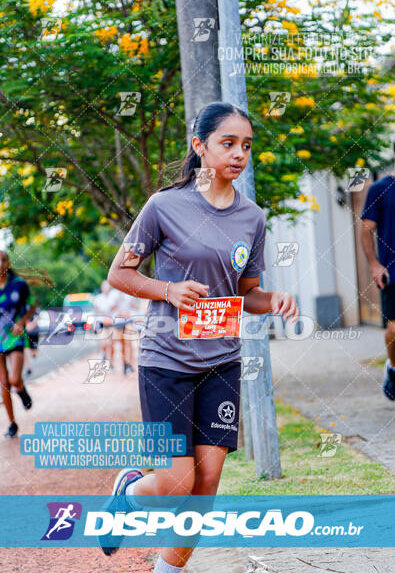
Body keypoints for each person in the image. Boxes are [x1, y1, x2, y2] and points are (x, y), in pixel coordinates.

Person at [103, 102, 299, 570]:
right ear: (199, 146)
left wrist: (273, 300)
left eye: (246, 146)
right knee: (176, 485)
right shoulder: (163, 207)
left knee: (205, 486)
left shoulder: (252, 218)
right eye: (228, 143)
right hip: (166, 361)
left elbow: (246, 292)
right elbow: (120, 272)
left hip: (220, 362)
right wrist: (168, 289)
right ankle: (129, 491)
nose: (239, 154)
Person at [361, 135, 395, 401]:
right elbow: (366, 231)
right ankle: (393, 366)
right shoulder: (380, 189)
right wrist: (375, 264)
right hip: (394, 271)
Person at [0, 250, 36, 437]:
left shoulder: (18, 285)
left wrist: (22, 322)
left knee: (14, 379)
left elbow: (32, 304)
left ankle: (21, 390)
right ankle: (12, 423)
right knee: (4, 383)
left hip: (14, 337)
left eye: (2, 260)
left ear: (8, 263)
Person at [93, 280, 114, 367]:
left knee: (110, 343)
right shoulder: (98, 298)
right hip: (101, 323)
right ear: (101, 288)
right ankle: (103, 354)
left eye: (107, 286)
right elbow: (96, 311)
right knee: (103, 343)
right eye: (104, 286)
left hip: (111, 323)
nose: (106, 288)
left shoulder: (113, 297)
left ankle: (111, 363)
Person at [24, 306, 41, 376]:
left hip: (34, 333)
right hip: (26, 333)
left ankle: (33, 352)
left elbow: (37, 319)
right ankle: (28, 368)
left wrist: (31, 326)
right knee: (25, 349)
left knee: (34, 352)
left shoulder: (35, 308)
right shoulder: (23, 307)